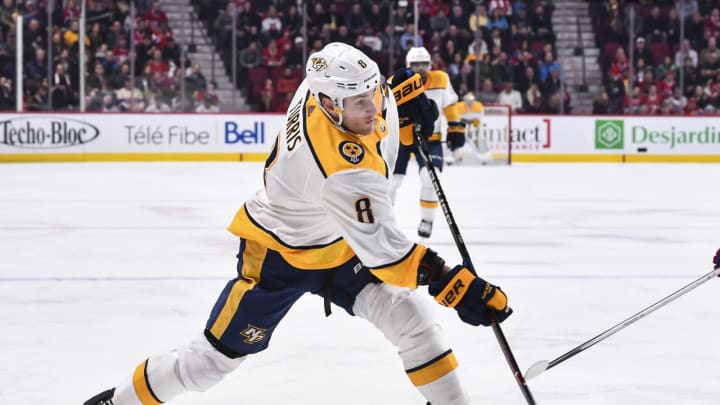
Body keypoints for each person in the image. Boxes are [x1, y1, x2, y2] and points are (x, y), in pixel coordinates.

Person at [84, 42, 512, 405]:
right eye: (360, 103)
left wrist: (397, 104)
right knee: (208, 364)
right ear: (327, 105)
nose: (372, 107)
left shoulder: (327, 83)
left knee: (412, 320)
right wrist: (454, 285)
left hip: (341, 243)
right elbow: (389, 256)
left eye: (374, 95)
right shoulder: (336, 167)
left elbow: (379, 94)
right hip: (280, 255)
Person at [390, 46, 466, 239]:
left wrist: (455, 126)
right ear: (408, 65)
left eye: (423, 64)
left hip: (431, 139)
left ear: (430, 64)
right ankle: (386, 221)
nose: (420, 68)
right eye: (416, 64)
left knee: (430, 178)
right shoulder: (395, 82)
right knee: (392, 182)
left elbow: (450, 104)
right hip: (402, 141)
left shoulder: (441, 79)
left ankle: (427, 219)